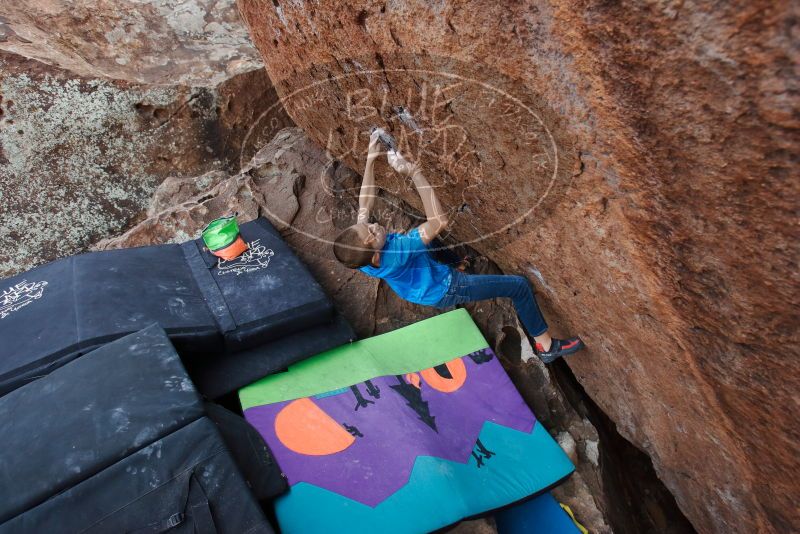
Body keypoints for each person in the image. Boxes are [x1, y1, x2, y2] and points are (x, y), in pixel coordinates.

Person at [333, 130, 585, 363]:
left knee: (428, 245)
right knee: (518, 287)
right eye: (372, 230)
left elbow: (364, 205)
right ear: (374, 249)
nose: (374, 224)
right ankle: (546, 346)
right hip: (447, 287)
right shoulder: (398, 253)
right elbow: (438, 221)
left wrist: (370, 158)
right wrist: (413, 172)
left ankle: (457, 261)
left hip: (419, 284)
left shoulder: (360, 255)